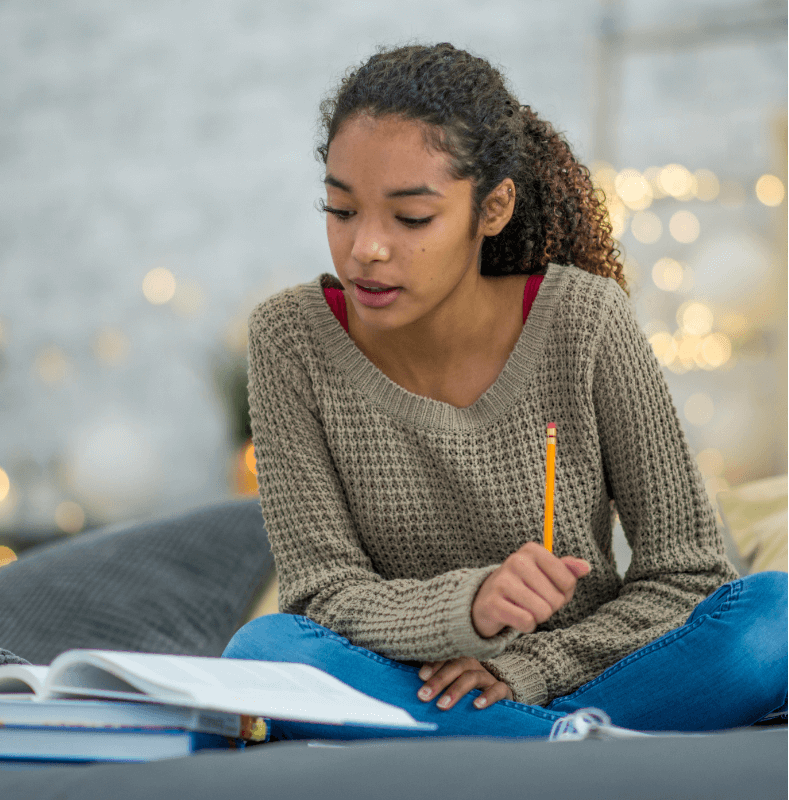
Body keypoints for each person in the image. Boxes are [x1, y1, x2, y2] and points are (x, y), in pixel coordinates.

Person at [222, 42, 787, 740]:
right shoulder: (289, 340)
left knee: (777, 617)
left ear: (492, 208)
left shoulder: (586, 321)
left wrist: (530, 668)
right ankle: (560, 746)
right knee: (265, 651)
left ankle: (518, 737)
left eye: (411, 218)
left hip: (587, 676)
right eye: (341, 210)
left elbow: (687, 574)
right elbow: (323, 595)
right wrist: (474, 605)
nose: (366, 247)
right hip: (409, 680)